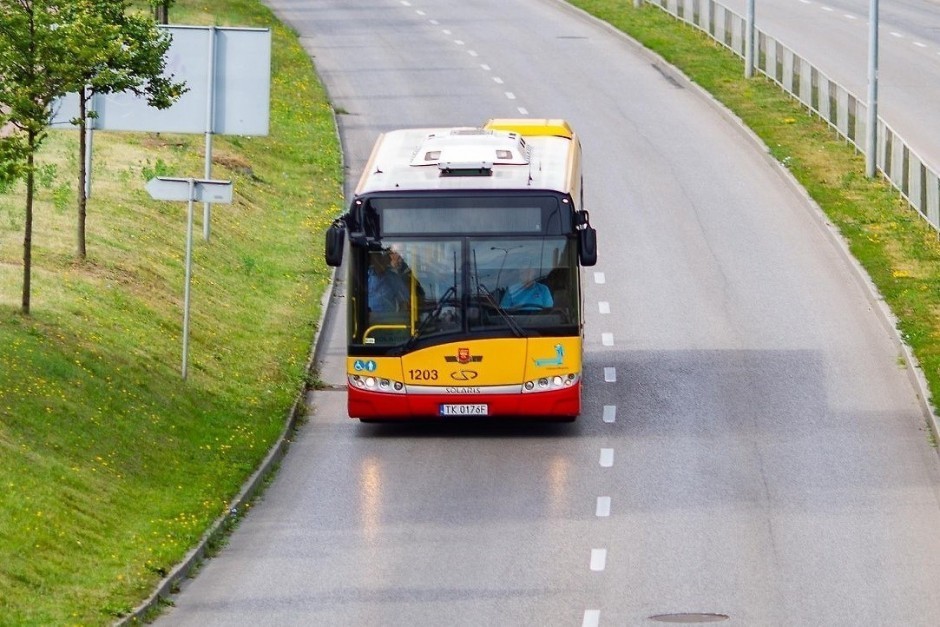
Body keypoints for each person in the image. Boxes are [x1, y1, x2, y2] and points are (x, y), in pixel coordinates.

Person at [368, 247, 411, 313]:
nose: (381, 263)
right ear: (373, 260)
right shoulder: (366, 276)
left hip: (389, 319)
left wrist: (402, 316)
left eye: (383, 260)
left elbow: (405, 299)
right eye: (377, 259)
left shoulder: (393, 277)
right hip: (368, 318)